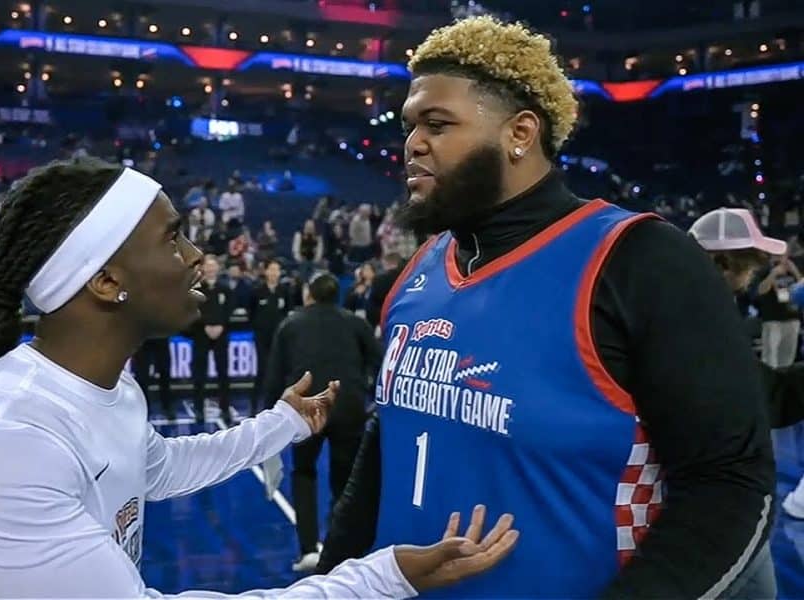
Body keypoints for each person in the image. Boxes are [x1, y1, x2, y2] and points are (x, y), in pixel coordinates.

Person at [0, 158, 518, 598]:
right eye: (173, 240)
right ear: (106, 281)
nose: (197, 256)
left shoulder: (111, 390)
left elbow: (161, 468)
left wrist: (281, 424)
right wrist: (379, 578)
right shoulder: (1, 441)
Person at [317, 15, 774, 599]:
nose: (413, 144)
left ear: (520, 133)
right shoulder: (417, 271)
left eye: (437, 123)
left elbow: (729, 483)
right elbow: (383, 452)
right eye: (410, 126)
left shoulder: (638, 259)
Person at [689, 208, 804, 522]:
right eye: (749, 264)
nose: (752, 274)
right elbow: (763, 396)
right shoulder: (693, 317)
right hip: (706, 491)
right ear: (722, 262)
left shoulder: (691, 302)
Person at [265, 272, 382, 573]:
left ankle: (308, 550)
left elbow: (274, 376)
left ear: (309, 294)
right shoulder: (355, 323)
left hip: (306, 409)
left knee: (303, 473)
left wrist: (267, 427)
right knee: (346, 481)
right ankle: (342, 550)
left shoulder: (290, 324)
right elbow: (381, 361)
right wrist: (368, 394)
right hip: (348, 406)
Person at [190, 254, 233, 423]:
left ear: (218, 268)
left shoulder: (225, 289)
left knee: (223, 373)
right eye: (208, 266)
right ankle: (199, 408)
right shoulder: (196, 289)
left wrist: (221, 325)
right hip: (201, 334)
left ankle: (225, 408)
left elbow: (230, 309)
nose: (210, 269)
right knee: (199, 373)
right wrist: (205, 325)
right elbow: (192, 310)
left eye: (213, 266)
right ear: (203, 268)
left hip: (221, 334)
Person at [249, 258, 294, 415]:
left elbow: (289, 313)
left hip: (279, 339)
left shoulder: (285, 291)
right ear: (266, 271)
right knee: (262, 370)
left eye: (277, 270)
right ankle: (254, 406)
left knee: (279, 372)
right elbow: (251, 312)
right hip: (262, 338)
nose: (274, 273)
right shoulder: (257, 291)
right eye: (272, 269)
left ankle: (279, 406)